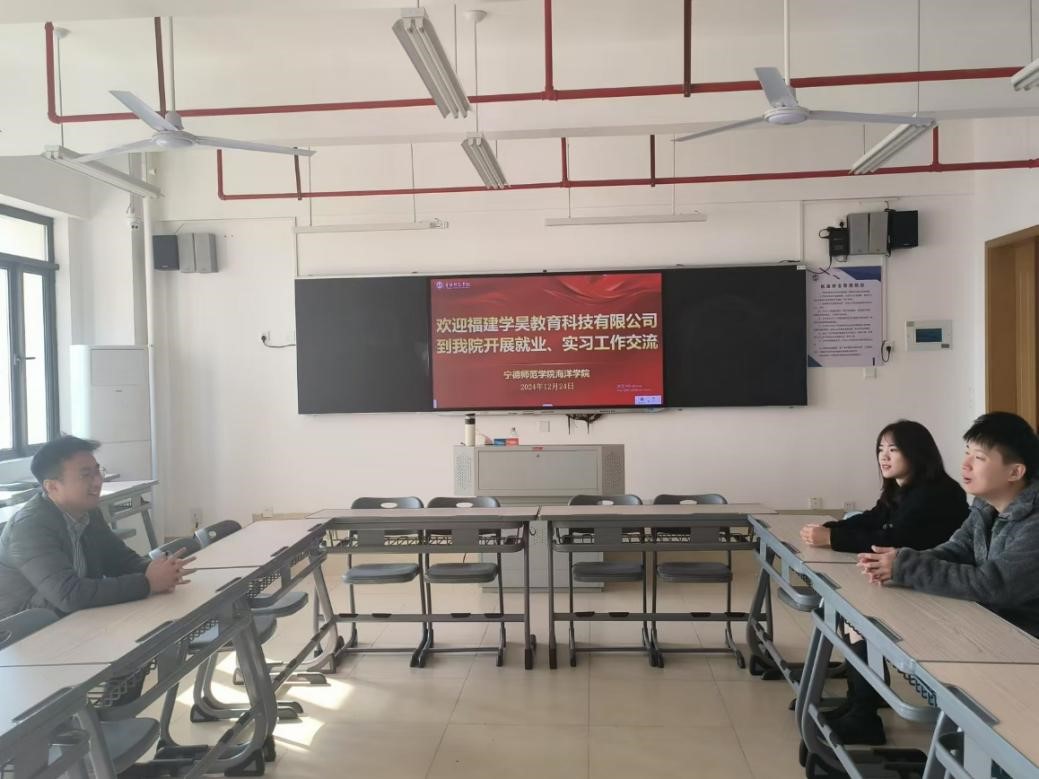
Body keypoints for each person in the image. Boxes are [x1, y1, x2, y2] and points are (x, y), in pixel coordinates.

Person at [801, 419, 969, 746]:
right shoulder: (902, 488)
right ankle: (860, 700)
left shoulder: (937, 493)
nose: (884, 456)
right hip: (911, 579)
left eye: (893, 449)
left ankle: (864, 713)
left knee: (856, 617)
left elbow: (891, 538)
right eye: (880, 449)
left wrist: (832, 538)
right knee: (848, 613)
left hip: (937, 592)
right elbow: (873, 518)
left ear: (917, 452)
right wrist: (830, 528)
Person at [860, 412, 1039, 632]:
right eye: (967, 453)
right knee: (871, 618)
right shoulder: (984, 507)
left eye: (979, 458)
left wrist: (905, 567)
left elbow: (993, 585)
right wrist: (898, 562)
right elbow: (956, 550)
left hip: (1025, 639)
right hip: (987, 622)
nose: (965, 464)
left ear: (1015, 472)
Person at [0, 435, 192, 620]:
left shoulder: (88, 511)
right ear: (52, 487)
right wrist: (147, 583)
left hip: (76, 617)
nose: (98, 481)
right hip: (27, 630)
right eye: (86, 475)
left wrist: (157, 570)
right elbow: (68, 595)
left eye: (97, 471)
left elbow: (119, 560)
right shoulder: (29, 528)